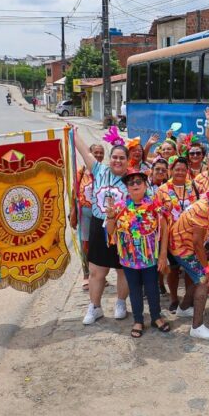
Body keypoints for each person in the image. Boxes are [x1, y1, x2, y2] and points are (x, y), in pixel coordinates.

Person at [74, 134, 131, 326]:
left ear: (127, 161)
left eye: (122, 158)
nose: (117, 160)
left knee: (123, 270)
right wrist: (73, 133)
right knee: (96, 271)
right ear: (109, 159)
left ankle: (121, 303)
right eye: (114, 157)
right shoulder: (99, 170)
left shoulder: (134, 179)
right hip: (100, 227)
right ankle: (95, 306)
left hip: (124, 229)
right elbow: (83, 151)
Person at [105, 171, 170, 338]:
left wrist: (163, 255)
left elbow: (164, 231)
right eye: (131, 182)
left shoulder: (155, 206)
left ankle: (156, 317)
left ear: (145, 184)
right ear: (126, 187)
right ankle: (138, 320)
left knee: (152, 288)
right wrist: (111, 216)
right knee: (134, 289)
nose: (135, 185)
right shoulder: (119, 207)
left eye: (138, 181)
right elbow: (110, 232)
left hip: (149, 258)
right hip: (129, 259)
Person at [168, 182, 209, 340]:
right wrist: (207, 268)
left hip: (187, 246)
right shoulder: (203, 208)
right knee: (204, 280)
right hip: (182, 247)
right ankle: (197, 327)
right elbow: (198, 243)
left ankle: (183, 308)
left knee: (197, 277)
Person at [156, 157, 200, 311]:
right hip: (170, 239)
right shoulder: (162, 190)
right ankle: (174, 299)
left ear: (187, 171)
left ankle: (189, 300)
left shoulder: (194, 187)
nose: (180, 172)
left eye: (183, 169)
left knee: (189, 270)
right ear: (171, 171)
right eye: (177, 169)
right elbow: (159, 214)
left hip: (189, 237)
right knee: (173, 270)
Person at [69, 143, 105, 291]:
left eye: (101, 153)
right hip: (85, 213)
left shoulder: (104, 171)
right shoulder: (81, 172)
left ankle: (101, 275)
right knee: (86, 245)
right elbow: (74, 193)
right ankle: (86, 274)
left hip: (101, 214)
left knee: (101, 244)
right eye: (95, 153)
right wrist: (73, 212)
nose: (98, 156)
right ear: (89, 154)